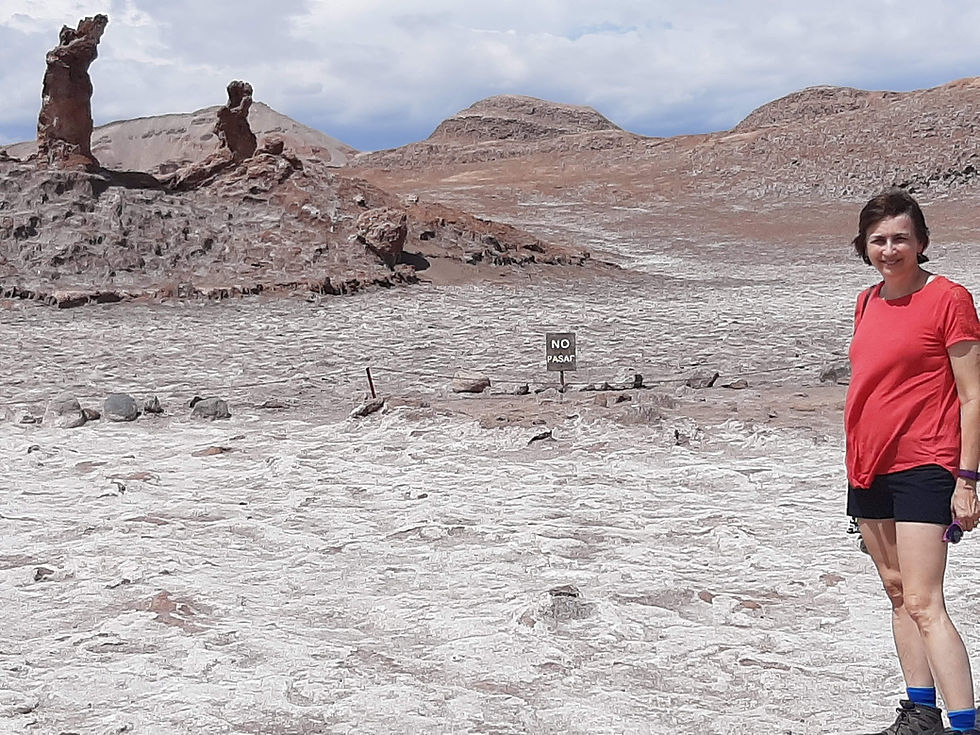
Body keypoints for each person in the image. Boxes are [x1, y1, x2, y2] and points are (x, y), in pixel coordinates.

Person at [846, 187, 980, 734]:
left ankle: (965, 725)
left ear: (921, 242)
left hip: (926, 465)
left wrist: (967, 479)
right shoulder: (866, 300)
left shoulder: (949, 298)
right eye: (878, 239)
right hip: (868, 466)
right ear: (865, 247)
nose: (889, 248)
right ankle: (921, 712)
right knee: (898, 593)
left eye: (901, 237)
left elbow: (973, 395)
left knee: (926, 601)